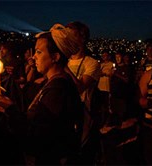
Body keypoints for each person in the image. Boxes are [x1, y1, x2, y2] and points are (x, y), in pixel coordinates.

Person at [0, 23, 84, 165]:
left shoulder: (58, 89)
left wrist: (10, 110)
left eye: (39, 52)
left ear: (55, 57)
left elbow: (39, 136)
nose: (34, 57)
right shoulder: (50, 83)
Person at [64, 21, 101, 165]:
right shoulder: (64, 61)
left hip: (82, 117)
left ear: (83, 37)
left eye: (71, 35)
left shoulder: (91, 63)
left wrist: (62, 67)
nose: (66, 39)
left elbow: (80, 88)